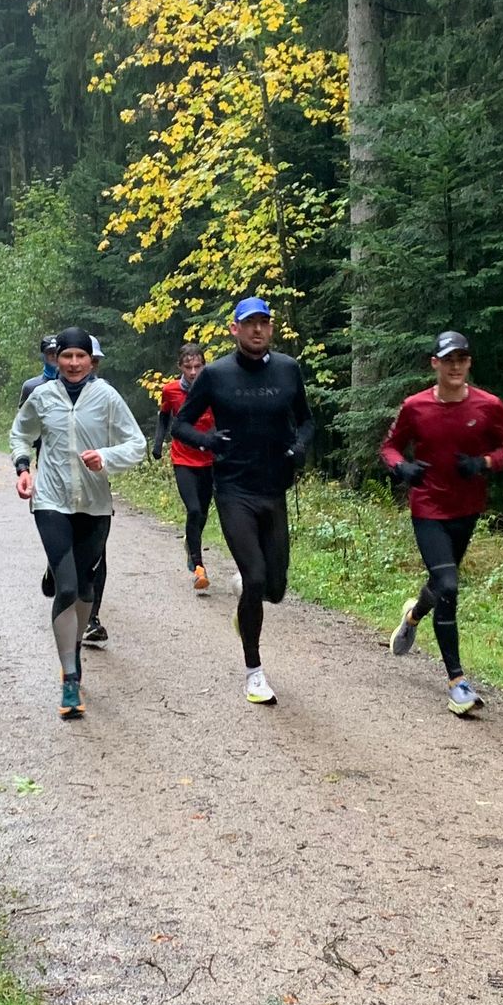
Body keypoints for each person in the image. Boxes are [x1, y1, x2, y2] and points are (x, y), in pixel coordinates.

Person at [173, 297, 314, 706]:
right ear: (234, 329)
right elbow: (181, 424)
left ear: (271, 328)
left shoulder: (287, 369)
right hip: (234, 489)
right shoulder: (216, 374)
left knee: (275, 587)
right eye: (249, 323)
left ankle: (246, 606)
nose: (257, 330)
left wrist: (300, 446)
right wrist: (208, 441)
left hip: (274, 489)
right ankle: (254, 672)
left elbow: (307, 420)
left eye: (263, 323)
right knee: (253, 577)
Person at [380, 330, 503, 716]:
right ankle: (457, 682)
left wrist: (484, 463)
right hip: (428, 507)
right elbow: (389, 447)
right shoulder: (415, 406)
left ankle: (413, 615)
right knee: (449, 585)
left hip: (467, 508)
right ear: (435, 364)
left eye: (462, 359)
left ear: (469, 363)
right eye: (448, 360)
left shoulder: (489, 406)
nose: (455, 366)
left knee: (441, 583)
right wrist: (402, 468)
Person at [10, 327, 146, 719]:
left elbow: (136, 444)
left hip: (94, 505)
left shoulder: (107, 397)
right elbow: (20, 434)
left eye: (79, 356)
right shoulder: (42, 396)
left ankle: (74, 649)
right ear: (57, 359)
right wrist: (23, 467)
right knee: (67, 587)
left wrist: (106, 457)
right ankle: (70, 677)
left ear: (91, 361)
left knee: (86, 587)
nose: (72, 363)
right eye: (66, 356)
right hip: (50, 501)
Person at [152, 342, 216, 591]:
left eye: (198, 367)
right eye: (188, 367)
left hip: (209, 459)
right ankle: (199, 567)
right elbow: (164, 417)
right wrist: (158, 444)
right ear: (180, 367)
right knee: (194, 510)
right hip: (183, 458)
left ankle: (191, 542)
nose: (193, 372)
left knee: (203, 513)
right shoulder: (170, 390)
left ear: (204, 366)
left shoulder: (213, 387)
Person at [19, 334, 60, 598]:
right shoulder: (32, 386)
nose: (54, 360)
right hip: (45, 457)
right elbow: (23, 425)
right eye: (50, 355)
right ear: (44, 356)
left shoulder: (77, 384)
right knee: (51, 514)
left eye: (57, 354)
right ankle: (54, 564)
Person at [82, 335, 110, 647]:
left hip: (97, 484)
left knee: (97, 552)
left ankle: (91, 618)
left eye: (95, 361)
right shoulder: (46, 392)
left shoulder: (106, 395)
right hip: (59, 487)